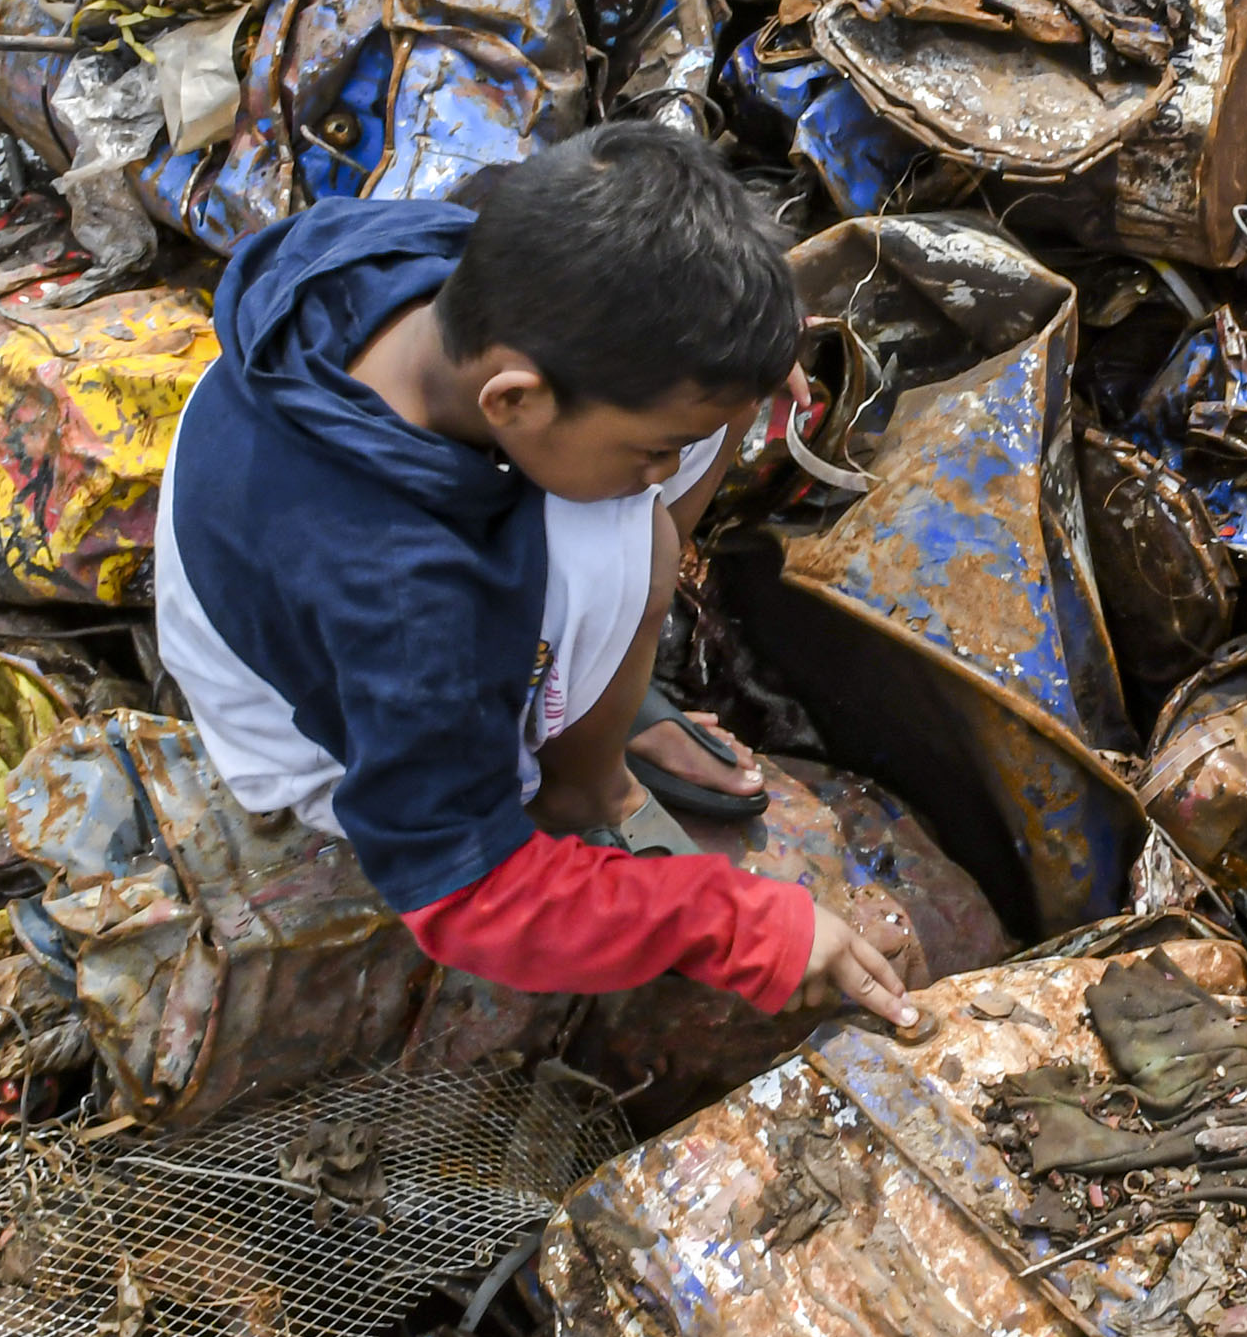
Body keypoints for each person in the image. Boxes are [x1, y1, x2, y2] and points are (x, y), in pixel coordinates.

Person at [152, 128, 913, 1024]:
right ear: (512, 400)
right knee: (629, 541)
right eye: (652, 449)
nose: (664, 468)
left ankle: (600, 698)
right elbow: (466, 896)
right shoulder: (403, 600)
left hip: (325, 559)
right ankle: (583, 783)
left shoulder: (425, 261)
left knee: (707, 399)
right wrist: (737, 925)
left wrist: (742, 344)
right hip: (305, 739)